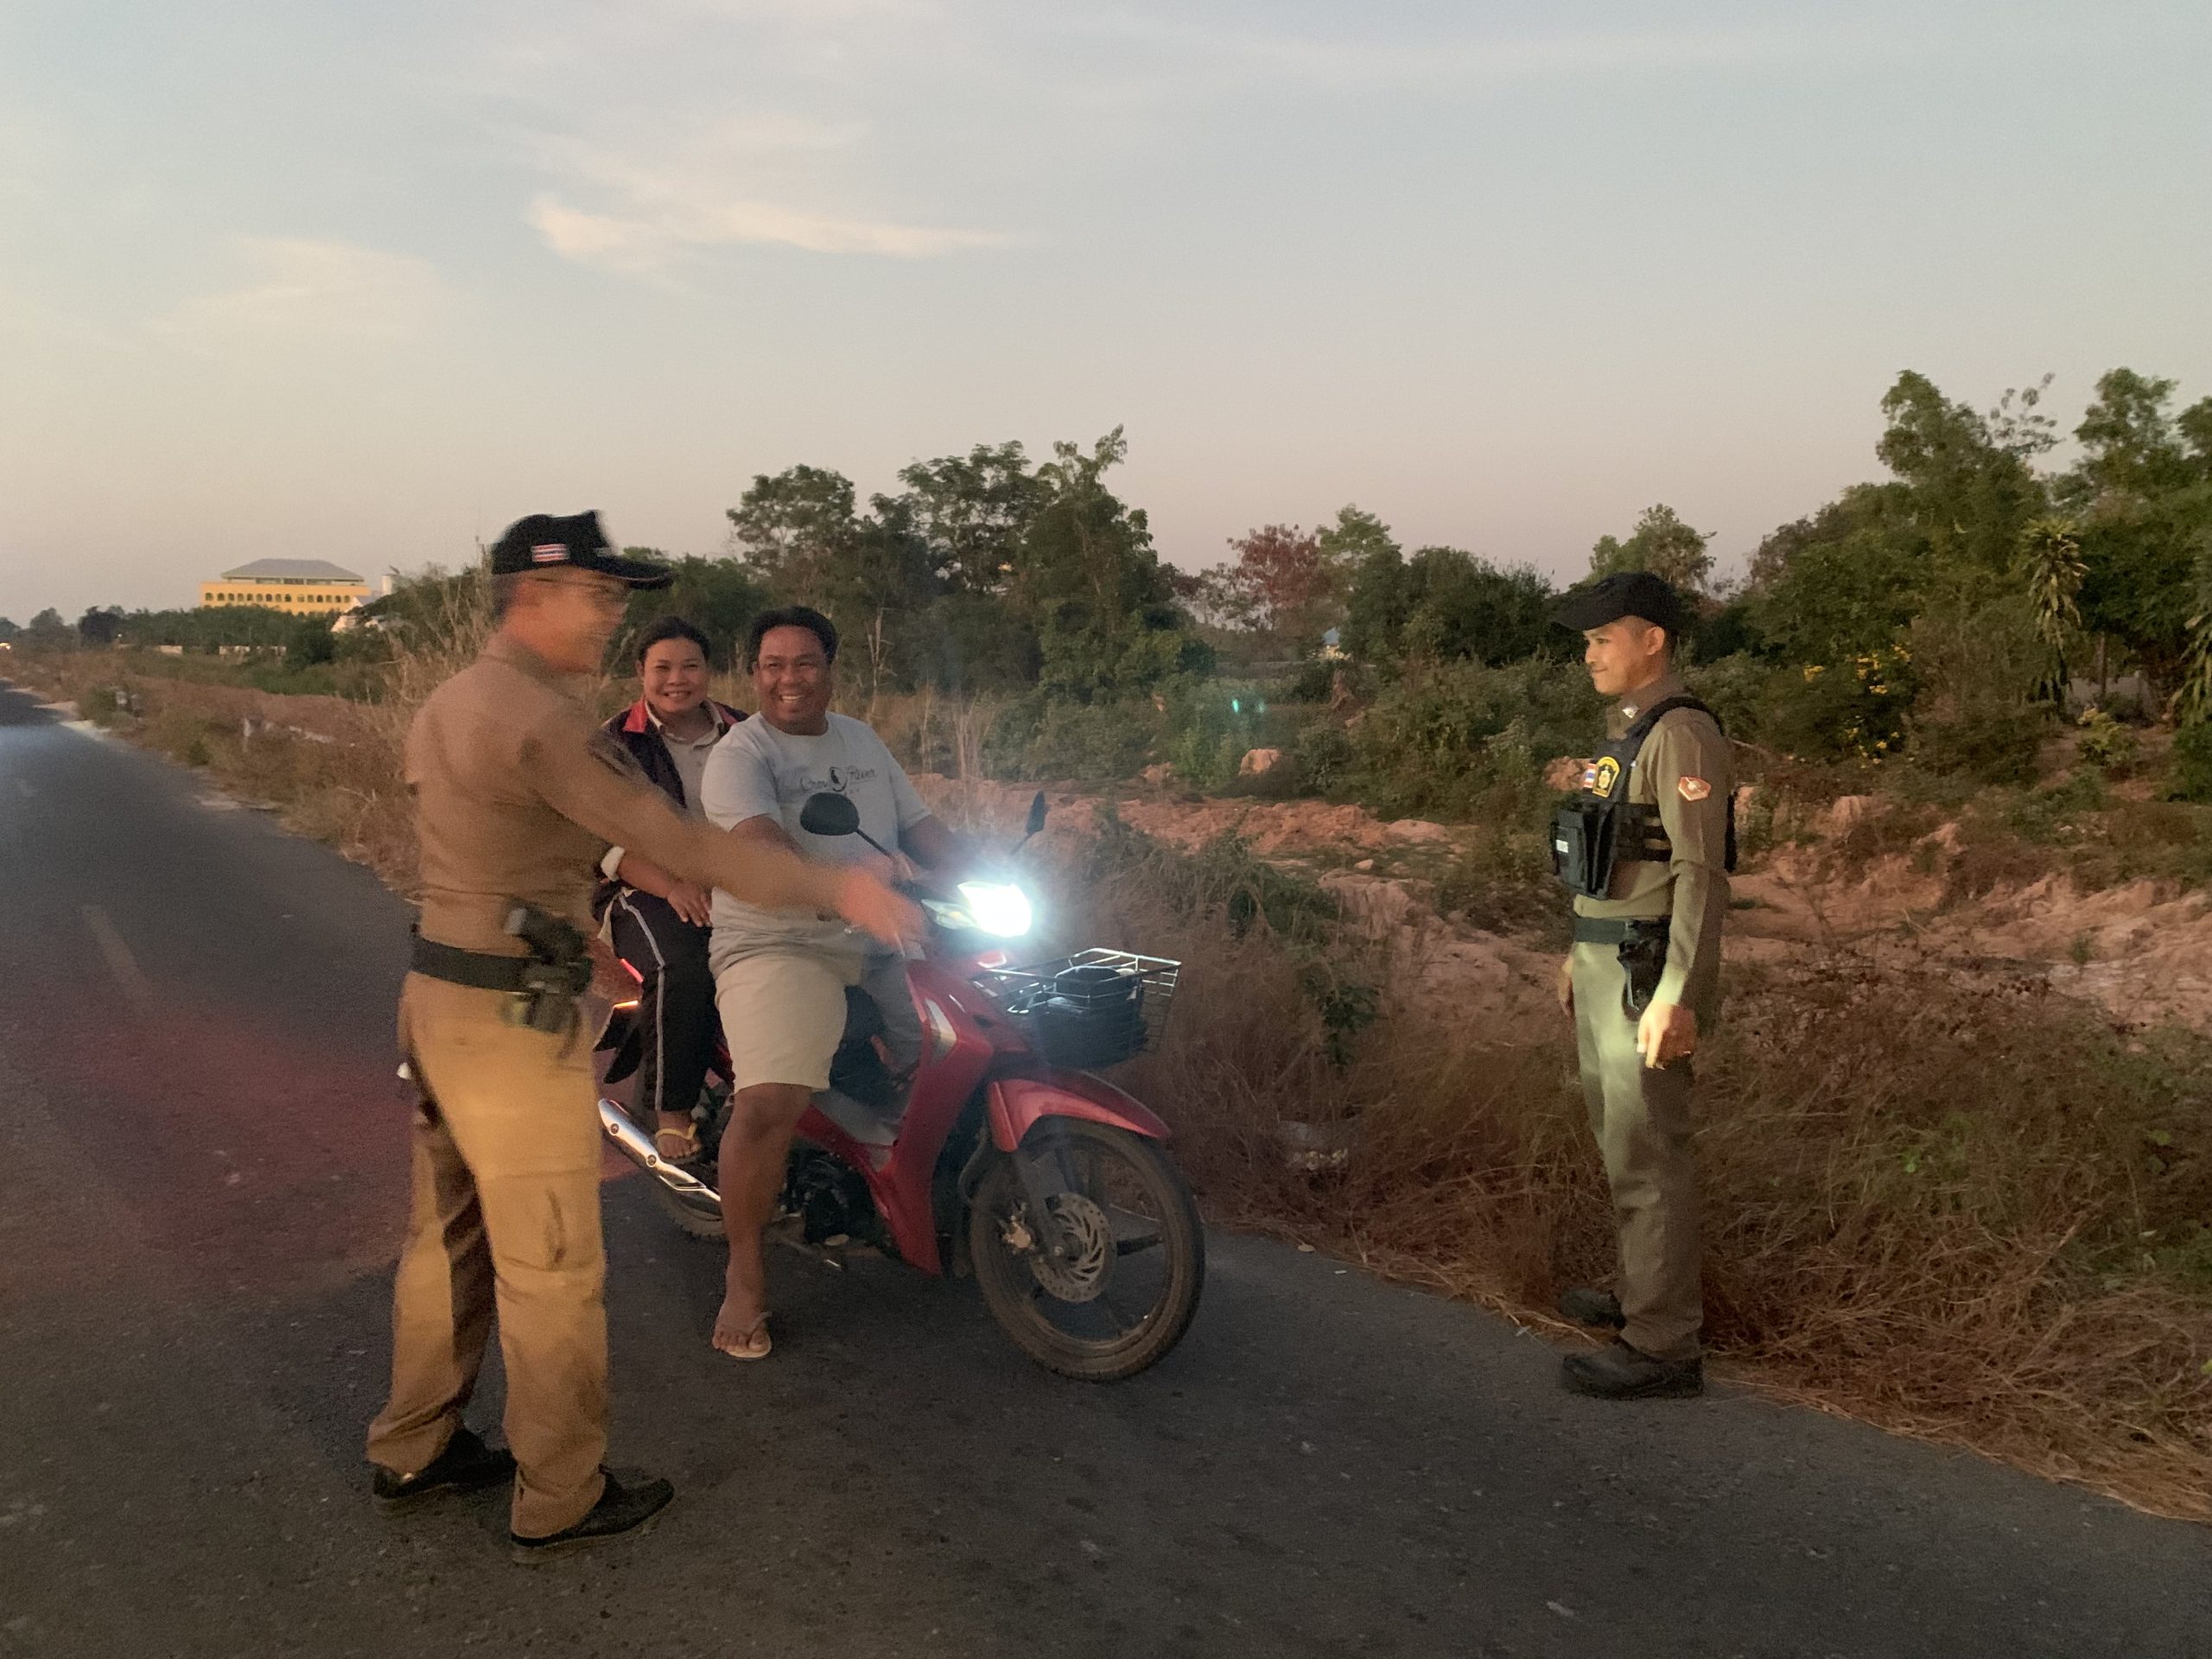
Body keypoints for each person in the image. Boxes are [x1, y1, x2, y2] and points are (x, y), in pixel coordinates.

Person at [364, 516, 916, 1562]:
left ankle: (413, 1443)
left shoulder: (449, 703)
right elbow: (680, 843)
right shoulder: (541, 719)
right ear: (536, 595)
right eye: (599, 596)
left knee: (448, 1237)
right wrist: (838, 888)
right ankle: (559, 1492)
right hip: (511, 1024)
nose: (612, 618)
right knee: (551, 1265)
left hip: (437, 996)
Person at [697, 604, 982, 1362]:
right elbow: (762, 847)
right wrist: (842, 889)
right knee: (769, 1100)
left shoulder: (860, 739)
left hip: (883, 930)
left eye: (805, 663)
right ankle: (744, 1276)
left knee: (969, 1049)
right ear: (754, 674)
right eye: (772, 665)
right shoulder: (740, 755)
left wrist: (991, 874)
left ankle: (931, 1195)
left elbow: (921, 830)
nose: (788, 678)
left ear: (829, 670)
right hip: (780, 941)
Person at [1548, 570, 1733, 1401]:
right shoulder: (1627, 732)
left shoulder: (1682, 732)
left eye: (1602, 639)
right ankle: (1641, 1295)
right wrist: (1573, 951)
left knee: (1651, 1152)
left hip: (1644, 973)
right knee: (1622, 1142)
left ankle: (1664, 1343)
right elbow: (1612, 856)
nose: (1589, 655)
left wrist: (1678, 993)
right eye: (1587, 642)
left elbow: (1700, 872)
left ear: (1651, 640)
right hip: (1603, 959)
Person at [593, 616, 746, 1162]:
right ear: (641, 672)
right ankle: (673, 1114)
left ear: (709, 670)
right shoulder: (614, 743)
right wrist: (674, 885)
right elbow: (604, 844)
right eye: (663, 668)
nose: (677, 679)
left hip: (737, 881)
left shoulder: (746, 731)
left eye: (690, 666)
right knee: (684, 965)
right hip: (641, 885)